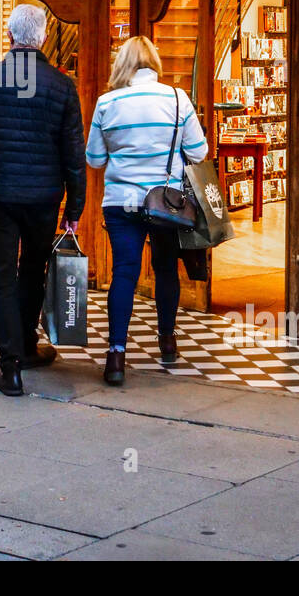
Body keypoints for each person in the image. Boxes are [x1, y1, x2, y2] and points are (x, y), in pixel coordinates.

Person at [0, 4, 85, 397]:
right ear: (42, 38)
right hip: (44, 198)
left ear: (10, 37)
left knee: (1, 277)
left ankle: (10, 366)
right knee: (32, 271)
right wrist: (75, 208)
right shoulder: (62, 86)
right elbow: (73, 155)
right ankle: (27, 346)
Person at [85, 36, 207, 386]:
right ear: (154, 63)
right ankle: (167, 341)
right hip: (165, 202)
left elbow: (93, 159)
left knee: (125, 271)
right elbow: (199, 153)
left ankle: (116, 355)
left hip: (120, 201)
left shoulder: (106, 103)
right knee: (165, 267)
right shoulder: (176, 98)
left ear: (121, 64)